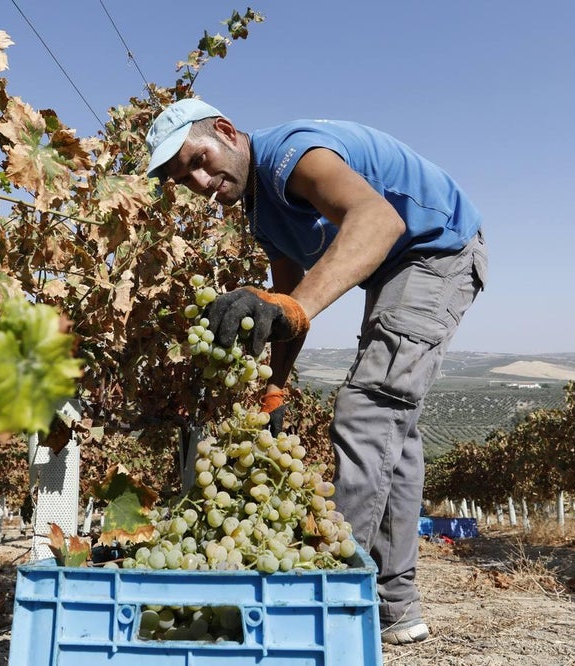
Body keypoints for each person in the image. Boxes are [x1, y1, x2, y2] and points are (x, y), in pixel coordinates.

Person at [145, 98, 487, 645]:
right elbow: (288, 300)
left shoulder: (290, 155)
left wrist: (292, 308)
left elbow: (379, 220)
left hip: (436, 250)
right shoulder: (261, 211)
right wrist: (275, 388)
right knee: (390, 425)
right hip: (396, 268)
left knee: (367, 409)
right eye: (185, 178)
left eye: (200, 159)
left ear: (227, 132)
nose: (202, 181)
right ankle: (396, 609)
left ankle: (322, 593)